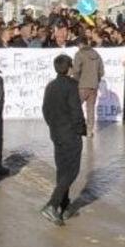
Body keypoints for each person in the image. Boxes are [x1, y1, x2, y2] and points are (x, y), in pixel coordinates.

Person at [40, 55, 86, 226]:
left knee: (62, 169)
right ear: (69, 68)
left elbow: (45, 109)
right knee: (72, 171)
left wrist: (52, 126)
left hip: (56, 133)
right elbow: (76, 111)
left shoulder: (50, 86)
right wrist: (81, 130)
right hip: (70, 134)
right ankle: (52, 204)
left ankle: (63, 205)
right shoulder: (72, 85)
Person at [73, 38, 104, 135]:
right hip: (94, 85)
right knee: (90, 109)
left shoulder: (79, 54)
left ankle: (75, 127)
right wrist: (96, 80)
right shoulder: (96, 54)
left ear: (80, 44)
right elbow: (101, 71)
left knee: (75, 106)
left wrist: (76, 81)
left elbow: (76, 70)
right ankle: (89, 130)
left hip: (82, 85)